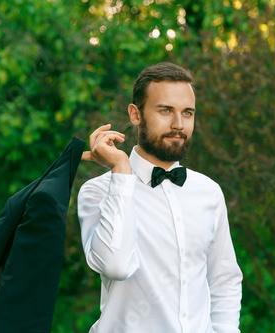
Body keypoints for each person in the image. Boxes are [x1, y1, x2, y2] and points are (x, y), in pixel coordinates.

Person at [78, 62, 242, 333]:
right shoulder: (98, 191)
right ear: (135, 114)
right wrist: (121, 170)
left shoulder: (209, 192)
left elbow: (224, 279)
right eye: (165, 110)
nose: (178, 125)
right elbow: (115, 265)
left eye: (187, 113)